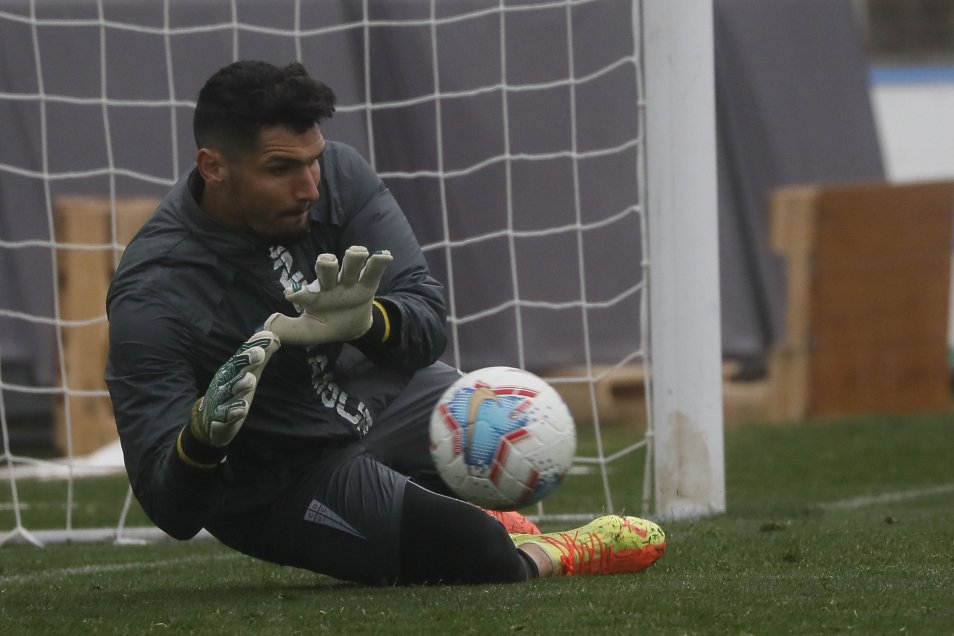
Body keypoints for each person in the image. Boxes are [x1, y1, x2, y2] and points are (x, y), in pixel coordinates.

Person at [105, 60, 666, 585]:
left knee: (507, 414)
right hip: (283, 478)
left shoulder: (340, 175)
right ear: (214, 167)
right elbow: (170, 509)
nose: (310, 188)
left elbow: (426, 323)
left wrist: (369, 322)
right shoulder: (152, 294)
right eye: (280, 168)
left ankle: (461, 509)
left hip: (375, 397)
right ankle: (557, 549)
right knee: (481, 555)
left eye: (313, 159)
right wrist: (202, 441)